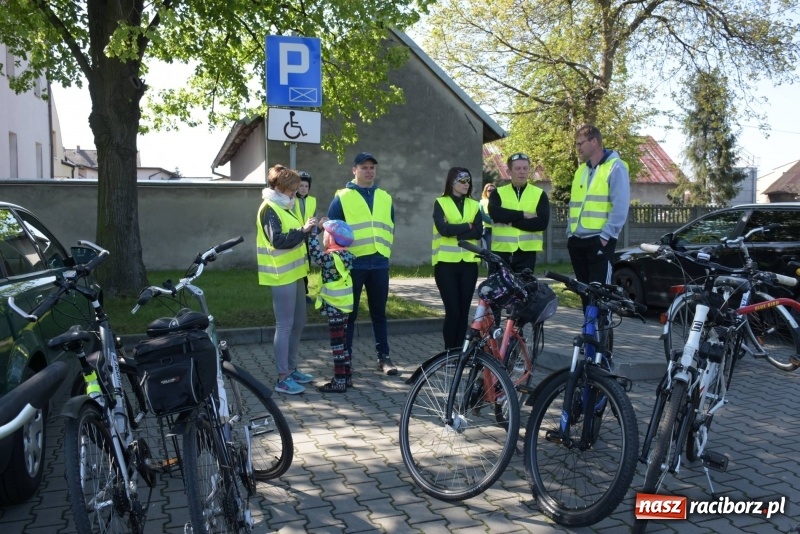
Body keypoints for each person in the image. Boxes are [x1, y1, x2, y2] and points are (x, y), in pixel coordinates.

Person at [327, 152, 397, 376]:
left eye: (372, 167)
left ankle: (384, 358)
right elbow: (331, 231)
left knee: (379, 314)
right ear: (354, 170)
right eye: (364, 167)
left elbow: (390, 224)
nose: (369, 171)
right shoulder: (342, 197)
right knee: (350, 314)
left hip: (379, 262)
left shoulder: (385, 197)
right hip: (353, 265)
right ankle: (345, 360)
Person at [256, 164, 317, 394]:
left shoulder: (284, 205)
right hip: (280, 274)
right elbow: (278, 240)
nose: (296, 192)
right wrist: (302, 231)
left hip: (296, 273)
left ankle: (292, 369)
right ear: (281, 187)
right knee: (284, 326)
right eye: (292, 188)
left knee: (298, 322)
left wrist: (308, 229)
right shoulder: (269, 207)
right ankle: (282, 377)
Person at [567, 124, 630, 305]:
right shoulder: (581, 170)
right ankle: (589, 332)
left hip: (599, 240)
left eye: (580, 144)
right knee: (585, 294)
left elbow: (620, 205)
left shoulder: (615, 167)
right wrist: (570, 234)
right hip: (577, 241)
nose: (578, 148)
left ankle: (599, 332)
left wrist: (606, 235)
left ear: (594, 141)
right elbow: (574, 205)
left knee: (600, 294)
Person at [432, 168, 483, 350]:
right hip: (446, 265)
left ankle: (460, 351)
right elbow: (442, 229)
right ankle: (449, 351)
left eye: (468, 181)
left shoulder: (475, 205)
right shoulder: (441, 202)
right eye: (462, 181)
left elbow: (479, 231)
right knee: (452, 311)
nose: (466, 184)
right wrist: (467, 226)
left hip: (469, 265)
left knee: (463, 312)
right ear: (452, 182)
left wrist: (457, 228)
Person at [309, 218, 357, 392]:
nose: (324, 240)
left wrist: (313, 232)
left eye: (326, 237)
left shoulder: (330, 258)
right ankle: (347, 376)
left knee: (337, 345)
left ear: (331, 239)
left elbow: (314, 254)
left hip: (334, 307)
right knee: (343, 343)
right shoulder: (346, 256)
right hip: (344, 306)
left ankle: (339, 381)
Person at [487, 152, 550, 272]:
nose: (522, 171)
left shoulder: (539, 194)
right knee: (499, 290)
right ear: (509, 171)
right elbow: (495, 213)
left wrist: (510, 221)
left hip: (526, 254)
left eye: (525, 168)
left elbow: (541, 223)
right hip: (501, 251)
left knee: (523, 289)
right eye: (518, 168)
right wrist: (523, 215)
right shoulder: (497, 193)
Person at [294, 171, 317, 304]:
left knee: (305, 265)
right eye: (301, 185)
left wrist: (313, 234)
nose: (303, 188)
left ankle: (304, 293)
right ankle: (297, 293)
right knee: (296, 266)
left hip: (307, 238)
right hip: (296, 235)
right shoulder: (291, 200)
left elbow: (313, 218)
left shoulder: (312, 201)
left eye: (306, 186)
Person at [479, 183, 496, 251]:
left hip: (499, 230)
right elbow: (482, 215)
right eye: (489, 190)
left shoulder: (500, 202)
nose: (491, 192)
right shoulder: (482, 202)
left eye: (493, 190)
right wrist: (494, 222)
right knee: (489, 252)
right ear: (485, 192)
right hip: (487, 230)